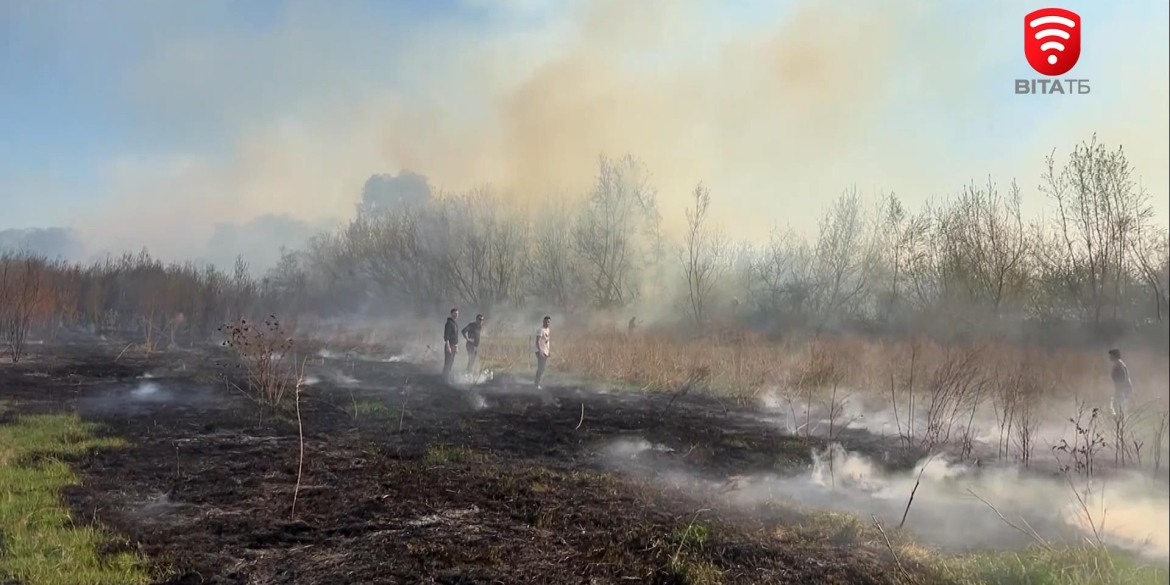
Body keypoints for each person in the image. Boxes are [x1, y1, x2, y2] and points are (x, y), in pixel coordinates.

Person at [1108, 348, 1133, 416]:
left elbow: (1122, 378)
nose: (1109, 357)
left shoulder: (1119, 365)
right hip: (1122, 389)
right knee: (1117, 405)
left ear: (1114, 356)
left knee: (1119, 406)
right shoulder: (1119, 364)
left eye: (1111, 355)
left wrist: (1120, 390)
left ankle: (1120, 421)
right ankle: (1120, 420)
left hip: (1122, 389)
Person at [442, 308, 459, 383]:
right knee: (448, 362)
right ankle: (444, 378)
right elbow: (446, 335)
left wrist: (456, 346)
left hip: (453, 345)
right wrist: (448, 346)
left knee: (451, 362)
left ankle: (447, 377)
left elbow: (456, 336)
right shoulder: (449, 323)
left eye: (457, 314)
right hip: (449, 345)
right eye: (455, 313)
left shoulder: (455, 324)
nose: (456, 315)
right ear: (451, 314)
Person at [534, 315, 551, 390]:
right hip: (540, 351)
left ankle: (537, 383)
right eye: (546, 321)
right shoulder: (540, 330)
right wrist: (541, 351)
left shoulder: (548, 330)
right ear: (543, 321)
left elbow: (546, 341)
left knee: (542, 368)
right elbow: (537, 342)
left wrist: (548, 351)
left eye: (549, 322)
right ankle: (536, 384)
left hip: (545, 351)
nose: (548, 323)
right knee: (541, 368)